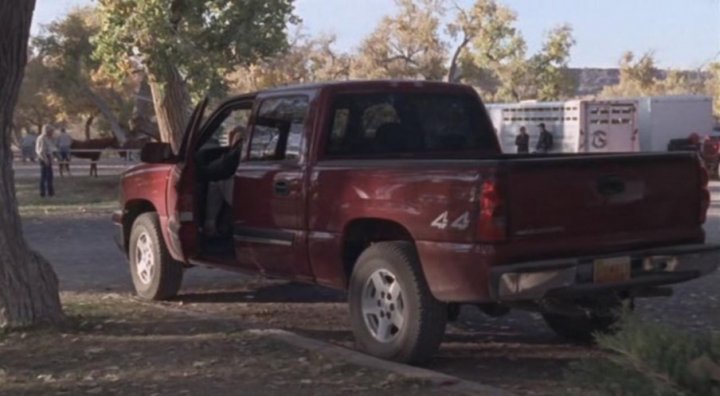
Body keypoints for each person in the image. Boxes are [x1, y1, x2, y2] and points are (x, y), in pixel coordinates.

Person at [200, 126, 247, 237]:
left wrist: (202, 172)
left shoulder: (238, 150)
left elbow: (222, 167)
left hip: (237, 187)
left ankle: (210, 225)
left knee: (215, 182)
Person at [36, 125, 57, 197]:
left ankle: (50, 192)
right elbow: (42, 151)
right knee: (45, 176)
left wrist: (52, 157)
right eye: (51, 131)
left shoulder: (48, 139)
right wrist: (46, 160)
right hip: (44, 158)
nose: (52, 133)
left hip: (48, 157)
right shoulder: (42, 138)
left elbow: (50, 149)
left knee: (49, 176)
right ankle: (44, 192)